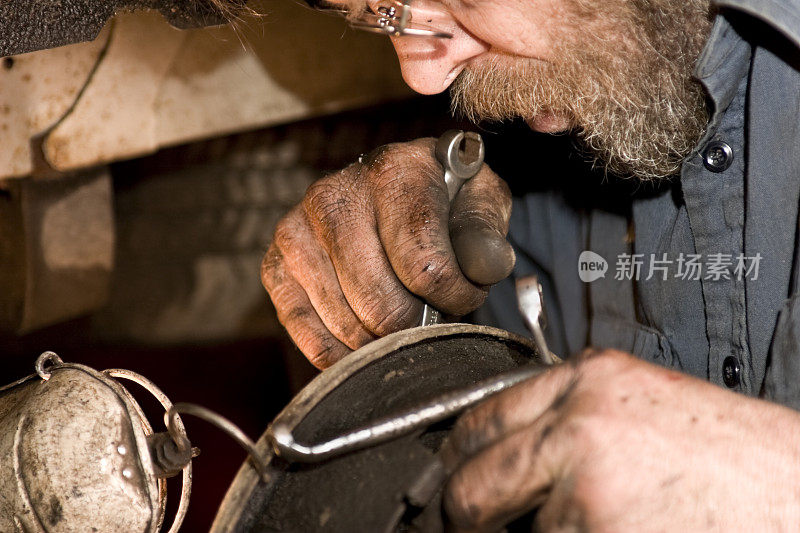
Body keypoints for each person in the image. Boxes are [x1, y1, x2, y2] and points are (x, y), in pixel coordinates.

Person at [261, 0, 800, 529]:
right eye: (378, 16)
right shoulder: (577, 143)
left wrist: (776, 486)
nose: (423, 76)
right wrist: (372, 277)